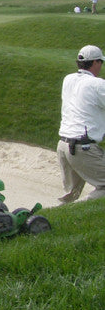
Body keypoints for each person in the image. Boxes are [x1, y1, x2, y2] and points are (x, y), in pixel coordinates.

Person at [57, 45, 105, 203]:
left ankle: (60, 212)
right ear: (95, 63)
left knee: (71, 195)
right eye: (101, 63)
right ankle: (73, 209)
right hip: (82, 148)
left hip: (63, 146)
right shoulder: (97, 84)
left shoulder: (68, 79)